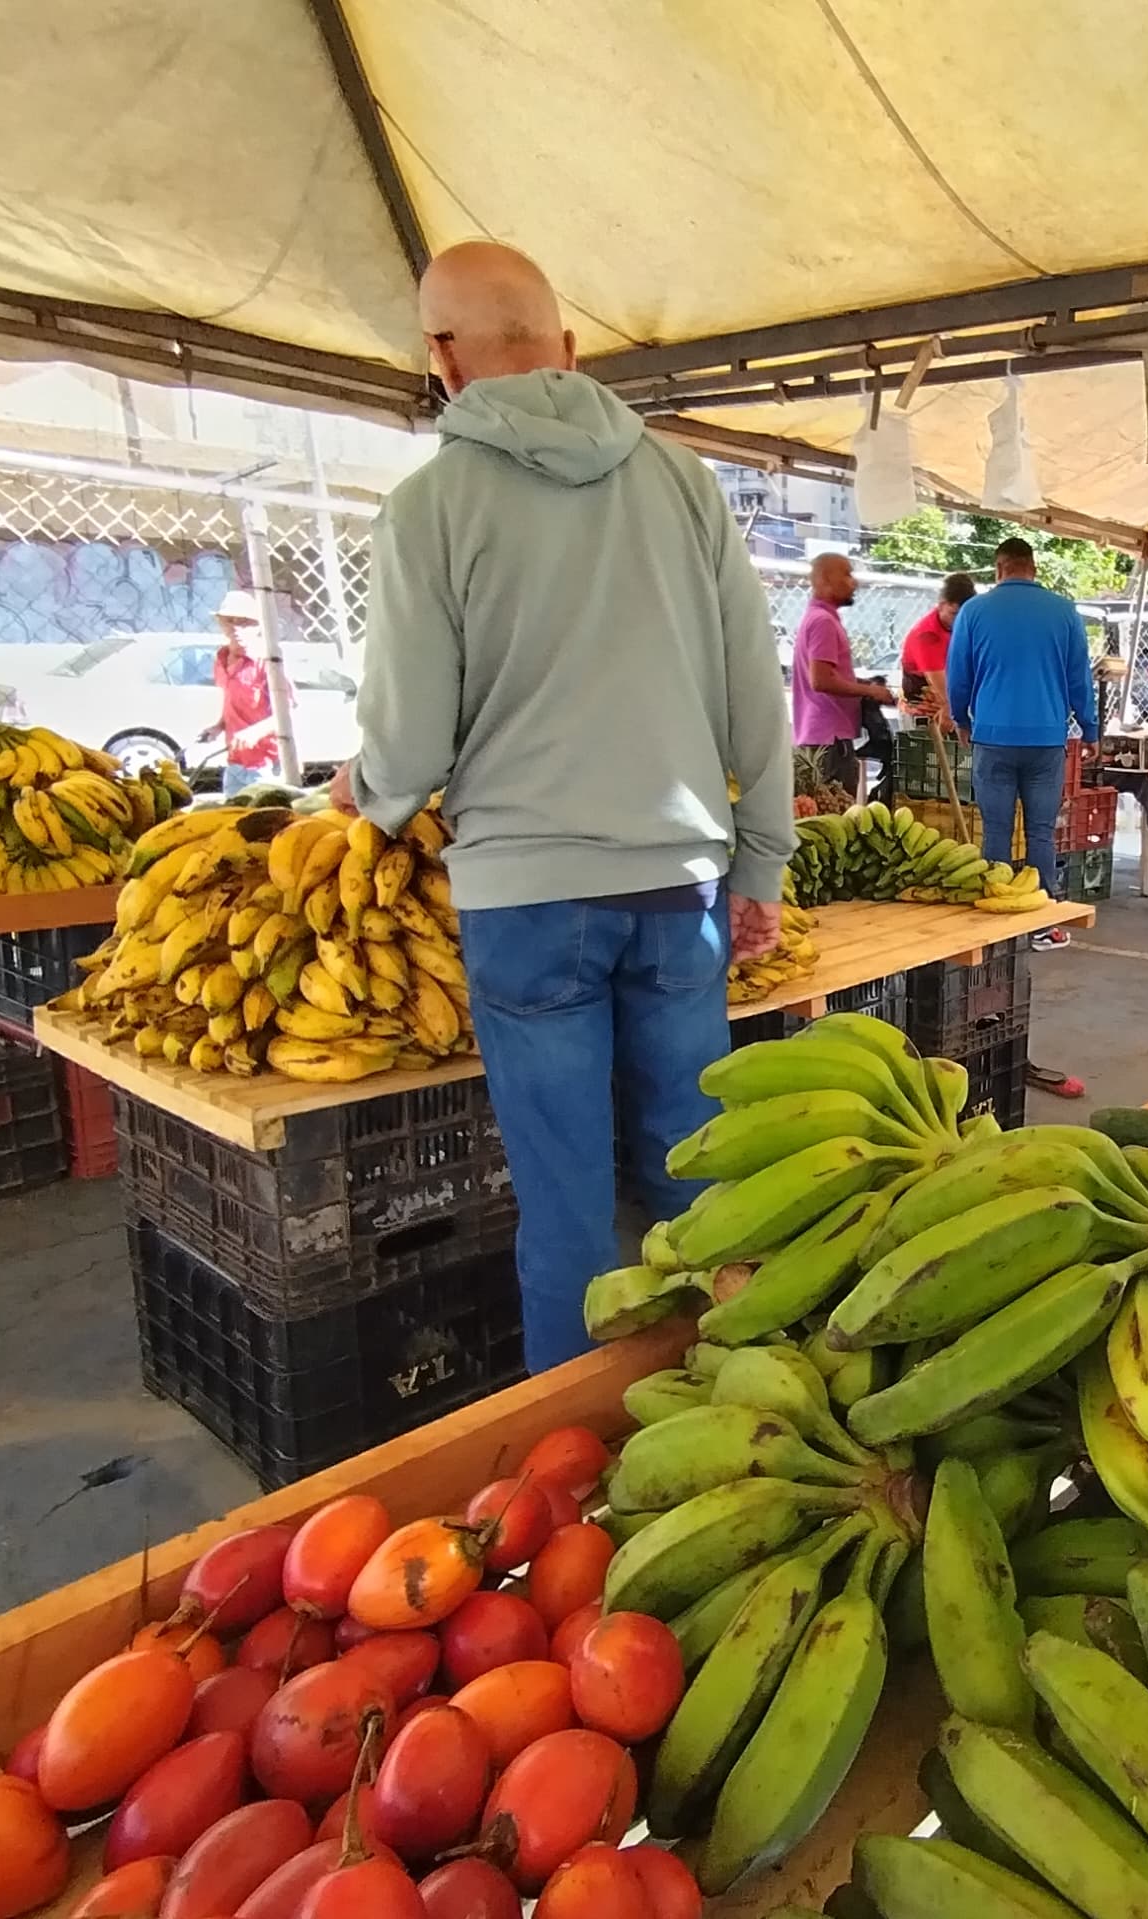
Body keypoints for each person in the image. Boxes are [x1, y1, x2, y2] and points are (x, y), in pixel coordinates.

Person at [332, 239, 795, 1374]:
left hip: (527, 901)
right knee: (699, 1185)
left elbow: (407, 737)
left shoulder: (430, 504)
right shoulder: (686, 486)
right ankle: (729, 1412)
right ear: (569, 349)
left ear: (441, 354)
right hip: (679, 885)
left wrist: (370, 791)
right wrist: (760, 869)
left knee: (568, 1209)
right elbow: (756, 695)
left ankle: (577, 1457)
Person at [947, 536, 1096, 953]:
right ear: (1032, 568)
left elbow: (959, 674)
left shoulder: (974, 611)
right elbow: (1078, 678)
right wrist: (1090, 728)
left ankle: (997, 926)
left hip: (992, 736)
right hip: (1046, 739)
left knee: (995, 831)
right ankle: (1042, 924)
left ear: (1000, 569)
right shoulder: (1064, 611)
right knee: (1041, 833)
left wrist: (961, 718)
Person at [792, 552, 892, 800]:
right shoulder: (823, 622)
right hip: (829, 738)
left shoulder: (819, 618)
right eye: (846, 574)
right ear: (824, 580)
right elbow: (821, 680)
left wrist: (864, 684)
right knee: (835, 822)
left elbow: (827, 675)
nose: (853, 582)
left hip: (823, 736)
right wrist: (869, 691)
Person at [202, 589, 282, 794]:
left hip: (265, 763)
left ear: (257, 627)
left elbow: (287, 713)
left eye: (244, 622)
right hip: (235, 760)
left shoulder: (269, 661)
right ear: (221, 624)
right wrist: (218, 726)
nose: (236, 628)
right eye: (230, 621)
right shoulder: (220, 659)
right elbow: (231, 702)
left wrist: (256, 731)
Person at [898, 572, 976, 715]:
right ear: (941, 605)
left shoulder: (966, 627)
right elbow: (943, 689)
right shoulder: (927, 635)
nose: (959, 620)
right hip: (923, 707)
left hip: (952, 695)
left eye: (964, 615)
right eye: (954, 613)